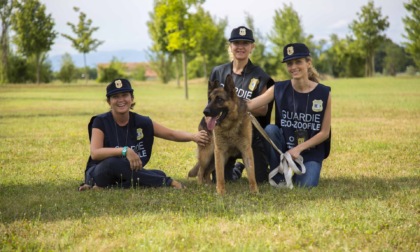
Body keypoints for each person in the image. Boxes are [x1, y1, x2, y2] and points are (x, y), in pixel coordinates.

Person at [78, 78, 209, 191]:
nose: (121, 100)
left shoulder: (142, 121)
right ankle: (168, 182)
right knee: (113, 163)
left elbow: (171, 134)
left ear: (132, 98)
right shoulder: (100, 121)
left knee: (156, 173)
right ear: (109, 101)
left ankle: (101, 188)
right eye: (115, 97)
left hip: (127, 172)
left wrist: (193, 137)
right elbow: (95, 153)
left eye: (125, 95)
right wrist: (124, 151)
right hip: (100, 172)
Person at [247, 43, 331, 187]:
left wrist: (298, 148)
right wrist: (226, 102)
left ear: (308, 63)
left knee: (305, 186)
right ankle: (278, 173)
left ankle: (302, 169)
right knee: (271, 130)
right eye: (289, 63)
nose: (293, 67)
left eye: (298, 62)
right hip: (284, 148)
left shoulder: (323, 93)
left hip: (310, 151)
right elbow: (250, 104)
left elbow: (324, 133)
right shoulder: (279, 88)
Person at [209, 26, 275, 183]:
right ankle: (237, 169)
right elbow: (210, 104)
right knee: (222, 179)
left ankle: (247, 164)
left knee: (261, 180)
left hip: (250, 135)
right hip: (224, 133)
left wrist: (234, 106)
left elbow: (263, 109)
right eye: (236, 42)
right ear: (230, 46)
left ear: (252, 47)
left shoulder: (260, 75)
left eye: (245, 43)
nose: (240, 47)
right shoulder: (218, 72)